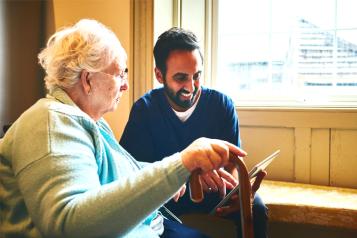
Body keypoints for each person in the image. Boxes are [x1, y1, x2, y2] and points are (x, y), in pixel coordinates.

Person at [0, 19, 248, 238]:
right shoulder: (51, 122)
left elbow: (118, 175)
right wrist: (181, 163)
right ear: (88, 80)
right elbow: (69, 225)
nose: (126, 86)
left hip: (151, 226)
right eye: (119, 74)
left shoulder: (89, 123)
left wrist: (184, 171)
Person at [120, 27, 268, 238]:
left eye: (197, 76)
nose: (191, 86)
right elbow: (131, 173)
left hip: (215, 193)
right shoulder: (145, 110)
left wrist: (237, 192)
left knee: (256, 208)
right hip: (169, 197)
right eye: (181, 78)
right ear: (159, 75)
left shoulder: (221, 104)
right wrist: (188, 174)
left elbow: (232, 165)